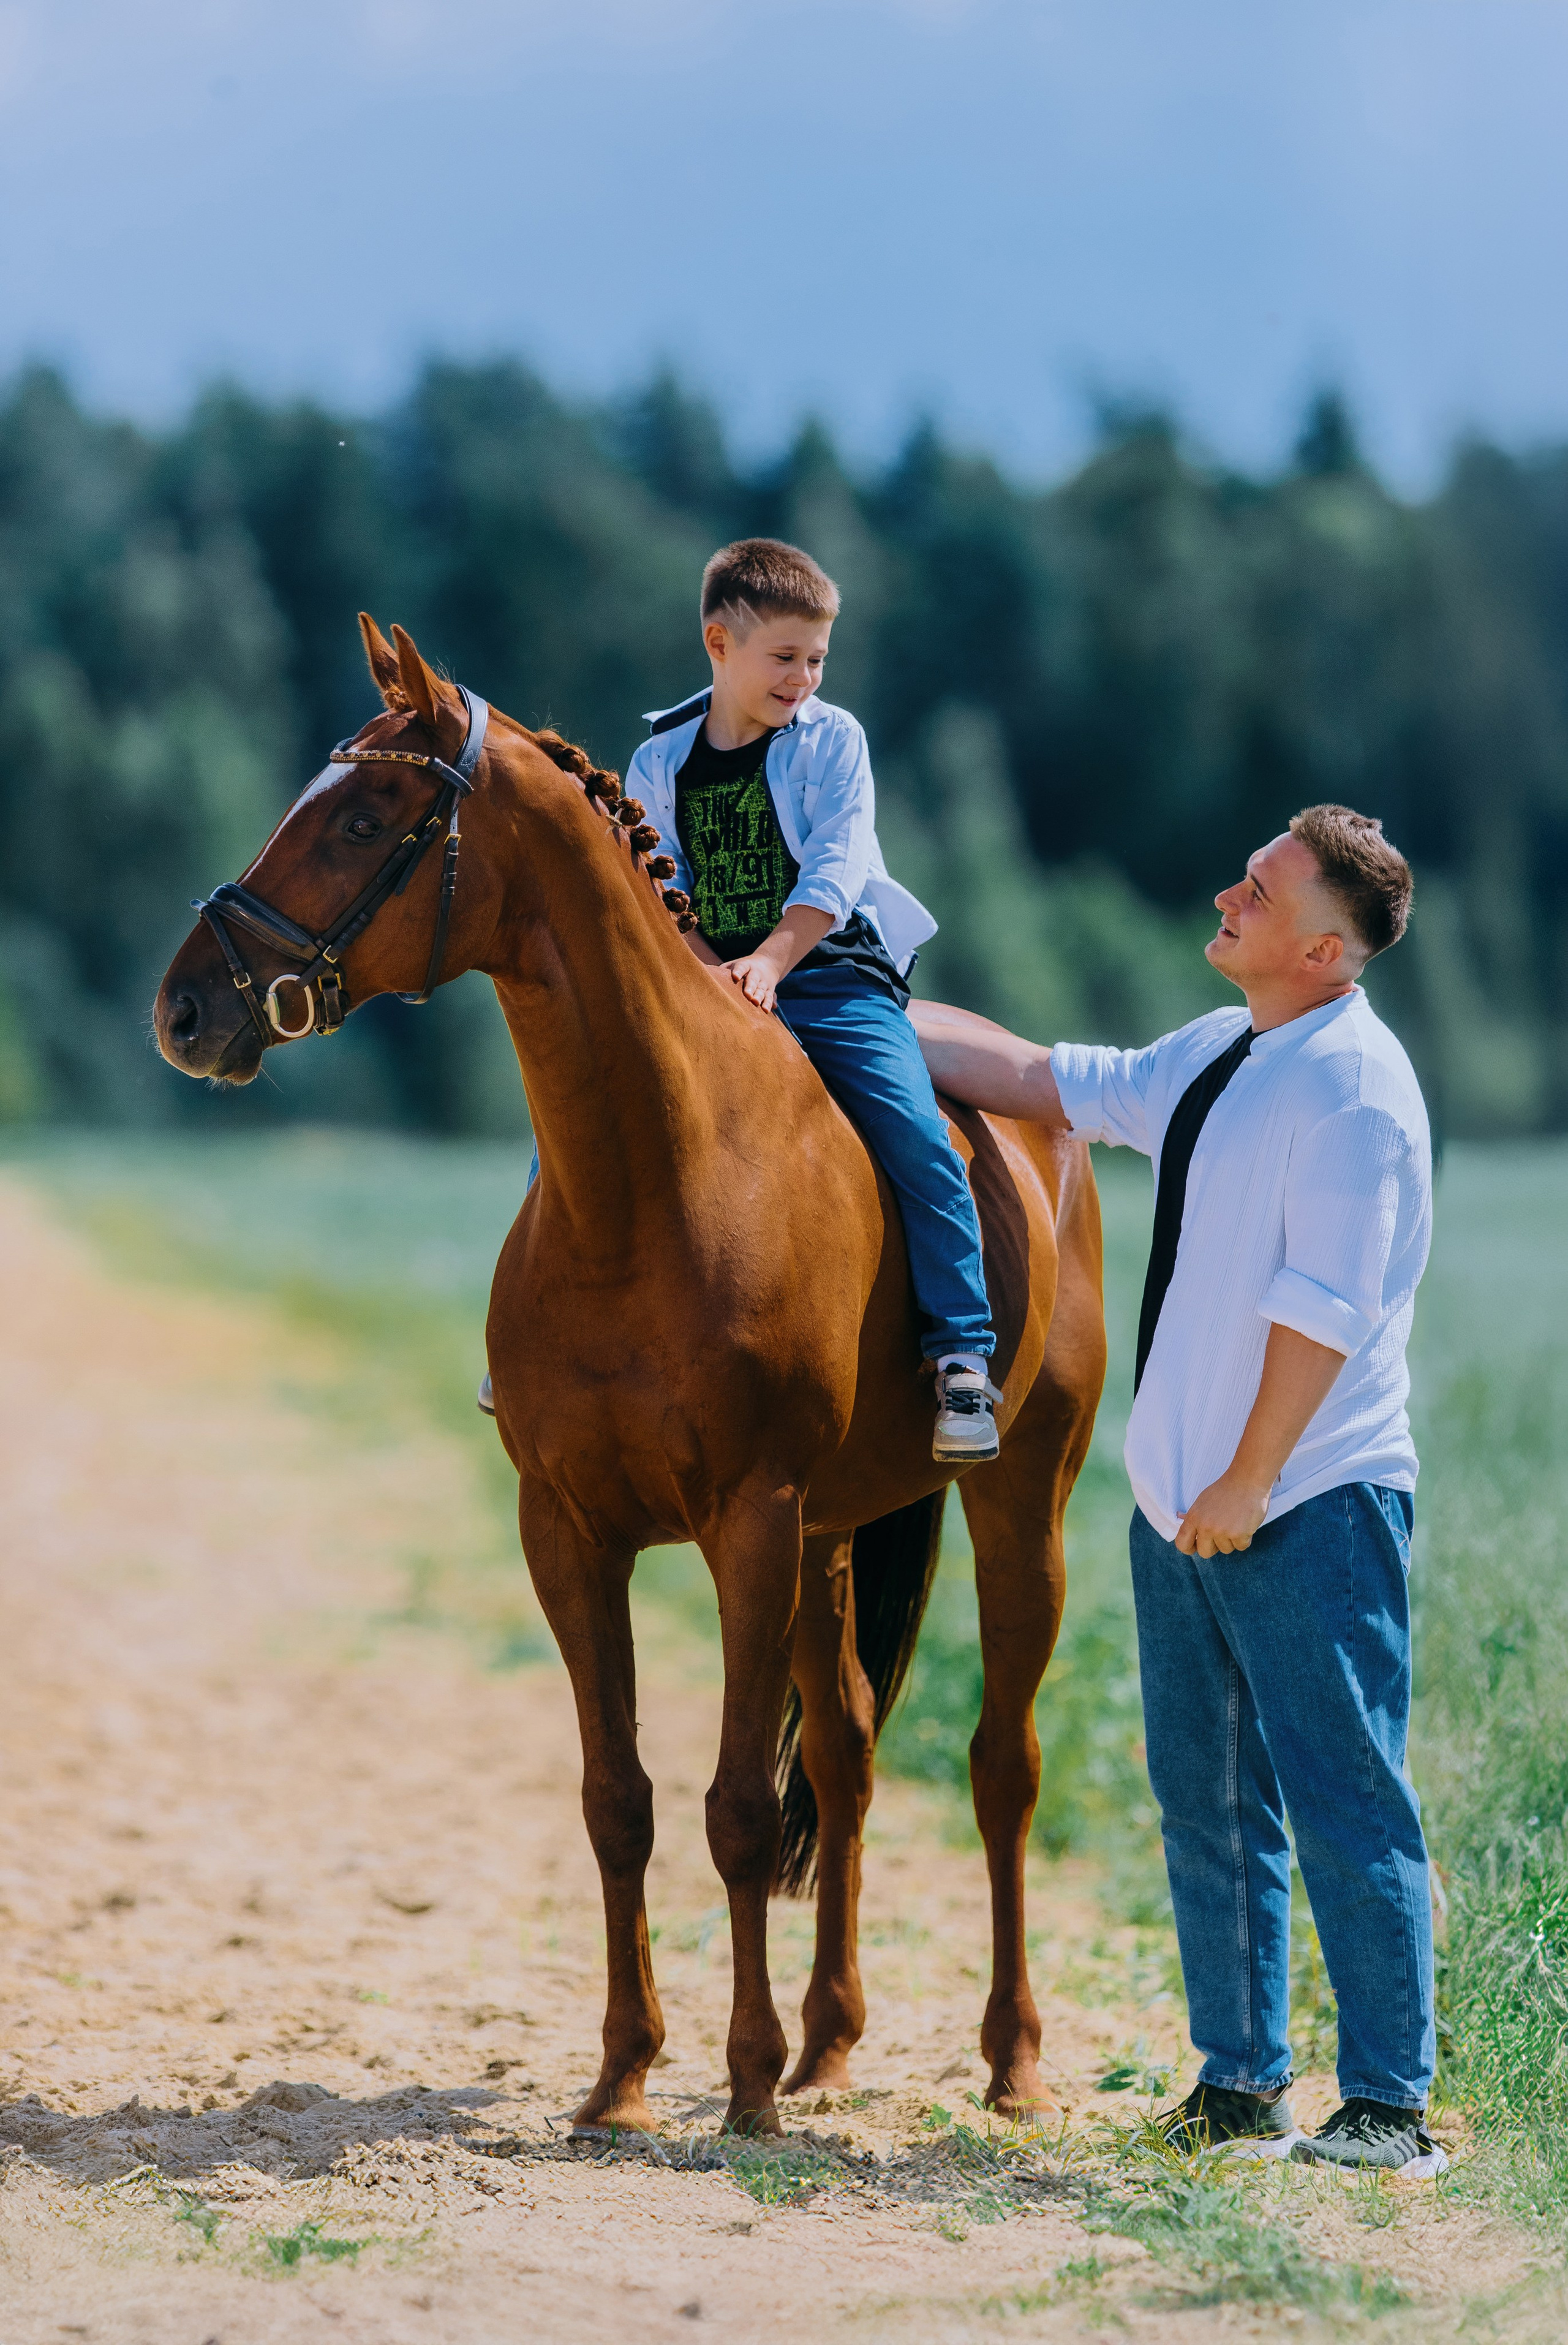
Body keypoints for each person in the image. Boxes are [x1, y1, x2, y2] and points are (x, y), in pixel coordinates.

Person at [913, 806, 1446, 2176]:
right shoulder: (1219, 1053)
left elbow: (1324, 1311)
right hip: (1185, 1511)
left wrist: (1247, 1482)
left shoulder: (1355, 1088)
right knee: (1207, 1804)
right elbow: (1041, 1077)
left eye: (1260, 891)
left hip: (1306, 1504)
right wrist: (853, 1007)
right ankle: (1241, 2086)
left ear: (1323, 951)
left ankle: (1389, 2109)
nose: (1228, 895)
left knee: (1344, 1797)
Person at [625, 536, 1000, 1462]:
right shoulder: (657, 761)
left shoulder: (834, 741)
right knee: (594, 1110)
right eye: (785, 657)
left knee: (917, 1135)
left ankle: (961, 1351)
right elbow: (660, 889)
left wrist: (769, 964)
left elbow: (835, 869)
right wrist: (713, 974)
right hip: (711, 980)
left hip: (829, 974)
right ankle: (544, 1331)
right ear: (719, 644)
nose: (804, 678)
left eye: (818, 660)